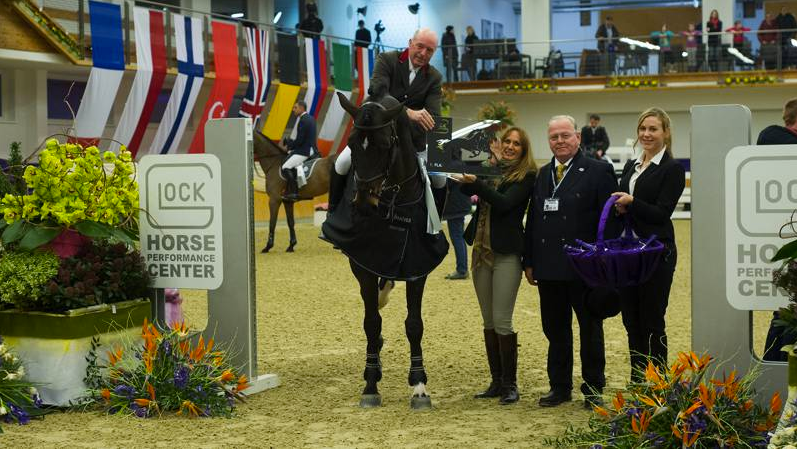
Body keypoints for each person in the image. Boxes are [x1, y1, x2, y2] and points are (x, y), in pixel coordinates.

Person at [523, 115, 617, 409]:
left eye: (565, 135)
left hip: (585, 266)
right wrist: (529, 260)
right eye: (554, 137)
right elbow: (534, 220)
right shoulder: (542, 174)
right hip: (549, 267)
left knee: (590, 329)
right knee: (555, 330)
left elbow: (610, 220)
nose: (560, 141)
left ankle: (592, 388)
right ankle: (559, 387)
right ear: (548, 140)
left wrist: (605, 260)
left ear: (578, 137)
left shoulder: (599, 170)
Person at [451, 126, 537, 405]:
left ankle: (511, 384)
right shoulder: (492, 169)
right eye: (506, 142)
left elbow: (503, 204)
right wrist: (464, 176)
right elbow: (468, 190)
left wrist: (476, 182)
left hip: (506, 255)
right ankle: (497, 382)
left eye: (516, 143)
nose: (510, 146)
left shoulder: (527, 176)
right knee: (488, 320)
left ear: (524, 150)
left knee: (502, 319)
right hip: (480, 252)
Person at [329, 28, 445, 211]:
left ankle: (435, 224)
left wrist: (414, 123)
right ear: (410, 43)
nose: (423, 53)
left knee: (440, 178)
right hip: (376, 135)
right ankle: (332, 211)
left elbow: (433, 117)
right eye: (420, 46)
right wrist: (408, 113)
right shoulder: (386, 59)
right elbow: (377, 92)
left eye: (429, 50)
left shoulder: (434, 78)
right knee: (342, 163)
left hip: (412, 140)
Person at [611, 107, 685, 379]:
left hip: (657, 253)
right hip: (629, 253)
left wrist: (631, 203)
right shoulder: (632, 165)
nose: (646, 134)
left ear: (665, 133)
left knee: (653, 321)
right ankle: (637, 379)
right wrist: (622, 209)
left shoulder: (672, 169)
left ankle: (658, 383)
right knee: (631, 320)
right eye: (643, 129)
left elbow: (661, 212)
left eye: (653, 129)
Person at [760, 98, 797, 362]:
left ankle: (770, 368)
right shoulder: (780, 141)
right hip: (789, 237)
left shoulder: (771, 139)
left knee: (784, 312)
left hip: (783, 238)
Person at [281, 101, 318, 201]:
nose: (293, 110)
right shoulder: (311, 118)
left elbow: (300, 140)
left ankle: (294, 192)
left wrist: (288, 147)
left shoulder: (303, 120)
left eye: (295, 108)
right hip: (311, 148)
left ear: (301, 108)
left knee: (285, 166)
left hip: (304, 151)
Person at [442, 179, 471, 280]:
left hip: (455, 206)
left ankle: (462, 270)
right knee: (459, 237)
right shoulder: (458, 164)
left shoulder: (449, 165)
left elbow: (443, 184)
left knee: (457, 237)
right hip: (460, 204)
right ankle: (462, 268)